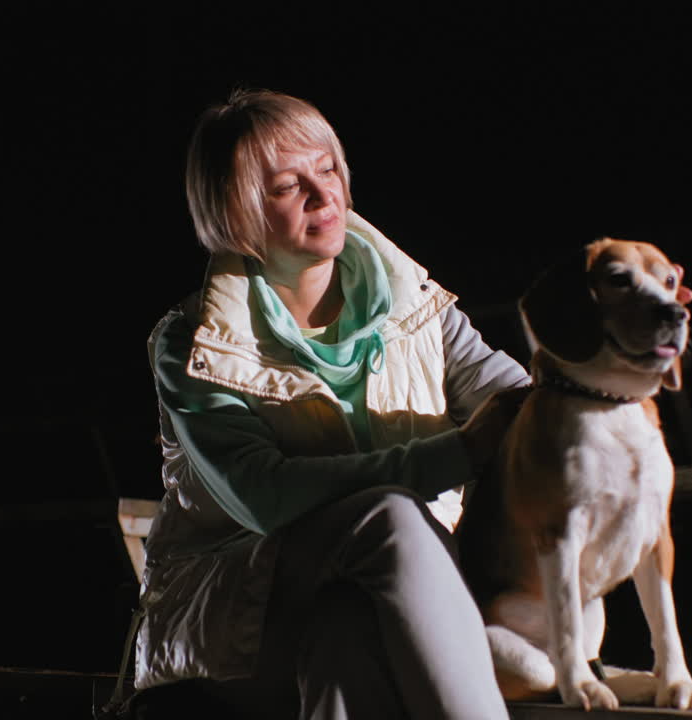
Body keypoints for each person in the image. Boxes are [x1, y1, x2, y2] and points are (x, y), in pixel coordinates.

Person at [132, 88, 532, 719]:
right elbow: (264, 496)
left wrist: (619, 351)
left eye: (328, 170)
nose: (325, 197)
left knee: (345, 635)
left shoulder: (416, 307)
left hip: (379, 597)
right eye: (289, 186)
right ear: (235, 212)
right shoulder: (194, 343)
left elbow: (519, 403)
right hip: (239, 614)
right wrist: (458, 453)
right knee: (392, 519)